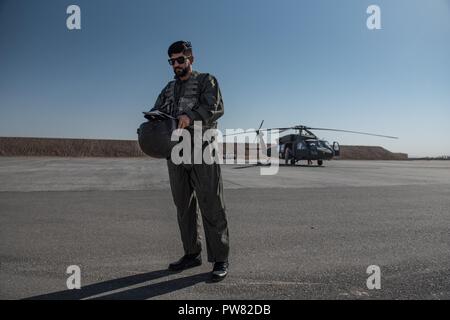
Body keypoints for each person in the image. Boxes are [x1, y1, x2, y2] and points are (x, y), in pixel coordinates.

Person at [150, 41, 229, 282]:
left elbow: (215, 108)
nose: (176, 65)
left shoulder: (207, 81)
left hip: (202, 149)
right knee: (183, 206)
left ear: (191, 59)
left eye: (180, 60)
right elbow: (158, 109)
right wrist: (153, 120)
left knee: (211, 204)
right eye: (172, 61)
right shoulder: (168, 88)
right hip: (176, 152)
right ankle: (191, 253)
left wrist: (190, 116)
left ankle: (220, 258)